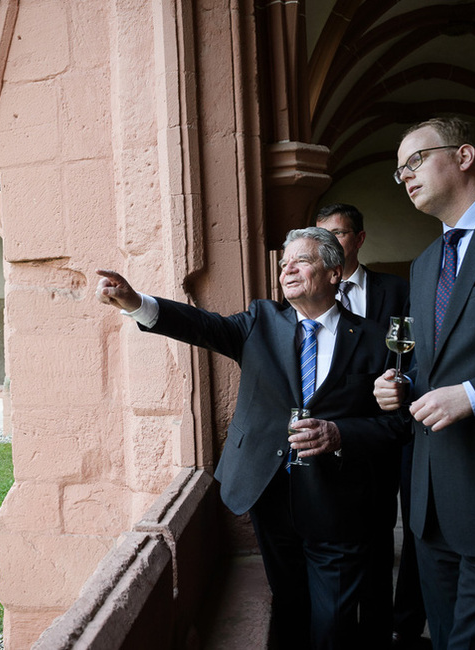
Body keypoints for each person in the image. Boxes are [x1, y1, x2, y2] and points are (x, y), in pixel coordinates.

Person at [97, 227, 407, 649]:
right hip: (269, 492)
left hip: (339, 501)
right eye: (284, 263)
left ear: (335, 273)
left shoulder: (372, 337)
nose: (288, 269)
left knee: (334, 622)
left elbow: (394, 425)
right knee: (291, 606)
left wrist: (339, 433)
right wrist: (136, 303)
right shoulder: (261, 321)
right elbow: (202, 326)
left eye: (302, 260)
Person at [374, 116, 475, 649]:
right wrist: (403, 388)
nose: (405, 178)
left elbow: (470, 383)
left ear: (464, 156)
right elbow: (436, 368)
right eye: (399, 172)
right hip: (431, 512)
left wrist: (474, 396)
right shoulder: (424, 265)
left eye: (415, 161)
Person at [316, 204, 422, 647]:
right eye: (320, 238)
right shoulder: (306, 293)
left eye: (338, 235)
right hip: (330, 439)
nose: (329, 246)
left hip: (388, 431)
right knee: (341, 541)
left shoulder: (396, 290)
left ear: (359, 239)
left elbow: (416, 353)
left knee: (388, 531)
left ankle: (391, 627)